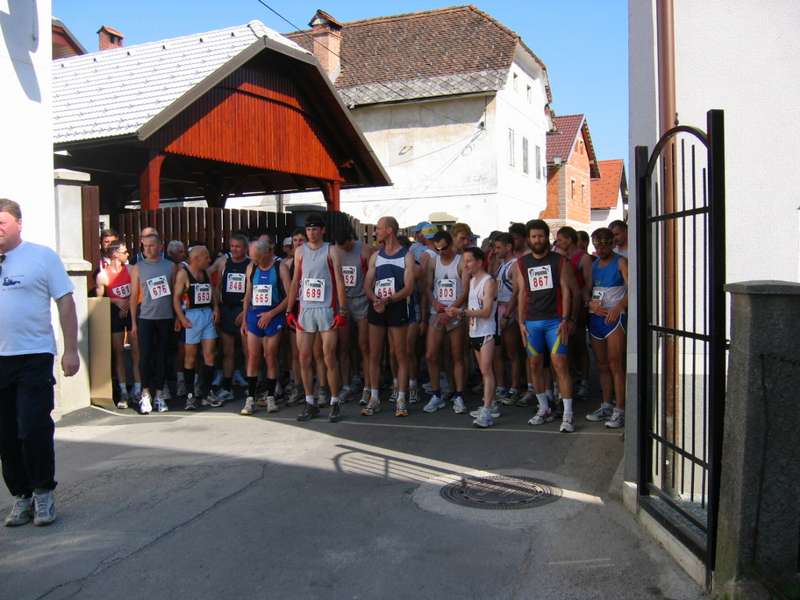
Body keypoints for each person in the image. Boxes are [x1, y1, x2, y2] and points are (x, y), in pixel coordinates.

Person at [0, 198, 79, 527]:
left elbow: (66, 302)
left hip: (33, 356)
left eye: (2, 222)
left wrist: (71, 349)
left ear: (19, 223)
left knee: (32, 427)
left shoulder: (41, 257)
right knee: (6, 435)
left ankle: (43, 492)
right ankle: (22, 496)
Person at [514, 219, 581, 433]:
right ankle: (543, 408)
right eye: (534, 236)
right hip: (532, 321)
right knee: (534, 364)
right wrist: (520, 322)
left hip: (555, 321)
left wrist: (566, 319)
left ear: (547, 237)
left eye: (541, 236)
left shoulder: (559, 261)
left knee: (560, 364)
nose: (537, 240)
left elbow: (567, 291)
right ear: (528, 239)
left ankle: (568, 414)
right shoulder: (521, 263)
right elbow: (522, 293)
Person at [285, 214, 348, 423]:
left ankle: (335, 401)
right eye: (308, 229)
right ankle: (309, 402)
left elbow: (339, 280)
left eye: (314, 229)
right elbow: (295, 281)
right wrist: (289, 310)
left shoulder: (331, 250)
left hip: (326, 309)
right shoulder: (300, 251)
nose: (311, 233)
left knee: (329, 357)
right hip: (305, 310)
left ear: (322, 231)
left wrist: (342, 310)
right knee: (304, 357)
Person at [361, 217, 416, 417]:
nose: (376, 232)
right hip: (377, 306)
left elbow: (409, 288)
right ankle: (374, 397)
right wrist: (375, 298)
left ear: (390, 230)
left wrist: (389, 300)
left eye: (379, 228)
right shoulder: (376, 256)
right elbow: (367, 284)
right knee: (374, 353)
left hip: (397, 306)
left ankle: (401, 398)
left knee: (400, 353)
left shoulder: (406, 256)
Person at [445, 247, 498, 428]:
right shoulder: (473, 280)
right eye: (464, 261)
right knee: (484, 371)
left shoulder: (488, 281)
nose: (465, 265)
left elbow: (486, 311)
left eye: (469, 261)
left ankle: (487, 410)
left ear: (479, 262)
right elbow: (472, 308)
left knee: (486, 370)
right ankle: (490, 404)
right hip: (474, 331)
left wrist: (462, 312)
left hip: (486, 331)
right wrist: (460, 313)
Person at [240, 238, 289, 415]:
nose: (254, 261)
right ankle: (250, 398)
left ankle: (270, 397)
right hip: (255, 315)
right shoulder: (251, 268)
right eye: (252, 258)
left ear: (266, 254)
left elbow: (290, 296)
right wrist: (244, 319)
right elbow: (248, 294)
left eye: (257, 258)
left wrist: (271, 314)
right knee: (253, 356)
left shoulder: (280, 267)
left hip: (273, 315)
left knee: (270, 356)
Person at [585, 227, 628, 429]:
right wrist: (590, 303)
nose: (600, 249)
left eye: (604, 245)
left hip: (614, 319)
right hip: (596, 318)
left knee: (615, 363)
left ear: (612, 243)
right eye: (597, 245)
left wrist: (619, 306)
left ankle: (620, 409)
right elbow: (586, 291)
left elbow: (633, 288)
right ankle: (606, 405)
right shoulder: (593, 265)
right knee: (602, 365)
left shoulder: (621, 262)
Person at [423, 230, 470, 414]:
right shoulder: (433, 261)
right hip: (437, 312)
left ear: (451, 244)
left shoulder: (461, 262)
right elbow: (427, 287)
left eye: (444, 248)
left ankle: (459, 395)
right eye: (438, 249)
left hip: (455, 313)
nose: (441, 252)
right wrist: (435, 304)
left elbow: (465, 290)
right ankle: (437, 394)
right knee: (431, 354)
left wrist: (451, 310)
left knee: (456, 355)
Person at [130, 233, 176, 413]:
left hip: (166, 317)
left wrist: (177, 317)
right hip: (145, 317)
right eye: (145, 246)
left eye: (152, 245)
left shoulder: (170, 266)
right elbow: (134, 296)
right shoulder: (138, 267)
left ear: (160, 246)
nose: (148, 249)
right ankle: (145, 393)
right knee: (145, 356)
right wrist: (133, 322)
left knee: (162, 356)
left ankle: (159, 394)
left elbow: (176, 293)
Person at [172, 245, 220, 410]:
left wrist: (216, 308)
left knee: (209, 355)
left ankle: (206, 393)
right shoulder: (183, 274)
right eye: (206, 257)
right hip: (191, 316)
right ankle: (190, 396)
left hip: (206, 313)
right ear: (196, 259)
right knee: (190, 357)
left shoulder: (205, 273)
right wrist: (181, 318)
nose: (209, 260)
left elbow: (212, 291)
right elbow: (176, 298)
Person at [95, 242, 142, 408]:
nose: (127, 254)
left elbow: (138, 291)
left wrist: (127, 304)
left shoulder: (131, 269)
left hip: (132, 312)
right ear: (115, 254)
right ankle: (122, 390)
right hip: (116, 315)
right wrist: (116, 301)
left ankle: (138, 388)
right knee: (118, 352)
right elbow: (99, 300)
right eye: (124, 252)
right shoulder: (103, 275)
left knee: (136, 351)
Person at [209, 233, 250, 401]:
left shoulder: (250, 264)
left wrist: (245, 312)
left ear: (245, 248)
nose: (234, 249)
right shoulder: (224, 262)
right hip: (226, 309)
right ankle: (227, 386)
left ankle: (251, 385)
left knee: (248, 351)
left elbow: (254, 289)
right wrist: (216, 307)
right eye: (232, 246)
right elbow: (215, 284)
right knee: (228, 351)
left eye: (238, 246)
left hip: (243, 310)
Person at [336, 228, 371, 404]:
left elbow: (372, 274)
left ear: (352, 239)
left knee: (364, 344)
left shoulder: (363, 249)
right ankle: (346, 385)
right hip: (344, 301)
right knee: (344, 345)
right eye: (342, 246)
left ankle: (368, 386)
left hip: (361, 300)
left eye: (347, 245)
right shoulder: (335, 251)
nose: (345, 249)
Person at [556, 226, 593, 399]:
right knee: (566, 346)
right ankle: (571, 378)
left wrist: (581, 302)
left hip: (577, 305)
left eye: (560, 240)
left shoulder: (583, 257)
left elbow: (588, 282)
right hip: (563, 304)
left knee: (580, 343)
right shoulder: (559, 257)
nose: (558, 243)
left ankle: (584, 380)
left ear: (569, 240)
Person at [492, 233, 523, 405]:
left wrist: (507, 314)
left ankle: (514, 388)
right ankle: (501, 386)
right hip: (498, 309)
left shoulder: (515, 264)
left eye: (498, 247)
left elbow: (517, 292)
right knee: (497, 351)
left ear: (508, 247)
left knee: (512, 352)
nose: (495, 251)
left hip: (508, 310)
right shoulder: (501, 265)